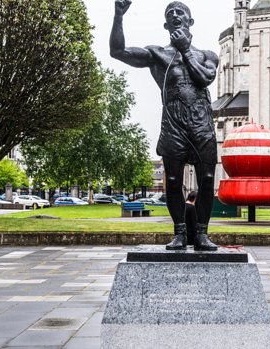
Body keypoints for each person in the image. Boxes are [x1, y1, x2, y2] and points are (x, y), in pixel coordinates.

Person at [110, 0, 218, 251]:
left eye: (181, 12)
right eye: (170, 13)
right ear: (165, 24)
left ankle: (202, 234)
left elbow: (204, 79)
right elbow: (118, 52)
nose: (175, 14)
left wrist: (186, 50)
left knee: (208, 179)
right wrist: (118, 17)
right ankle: (180, 233)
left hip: (201, 125)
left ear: (190, 22)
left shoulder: (207, 55)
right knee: (171, 179)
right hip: (174, 126)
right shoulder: (158, 55)